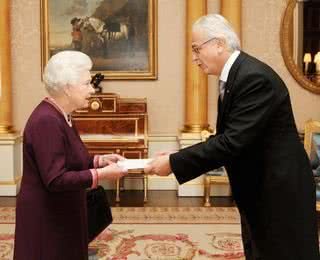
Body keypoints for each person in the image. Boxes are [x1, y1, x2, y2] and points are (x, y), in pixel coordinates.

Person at [144, 14, 320, 259]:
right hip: (260, 190)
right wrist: (176, 156)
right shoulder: (237, 76)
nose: (193, 58)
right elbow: (227, 138)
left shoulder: (253, 78)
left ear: (219, 43)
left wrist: (174, 163)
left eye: (197, 49)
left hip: (279, 193)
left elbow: (230, 143)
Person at [14, 50, 128, 260]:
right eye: (86, 83)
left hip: (60, 210)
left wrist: (100, 161)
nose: (92, 90)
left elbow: (70, 158)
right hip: (46, 217)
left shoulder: (60, 114)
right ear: (67, 88)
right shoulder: (46, 120)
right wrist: (102, 175)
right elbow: (55, 179)